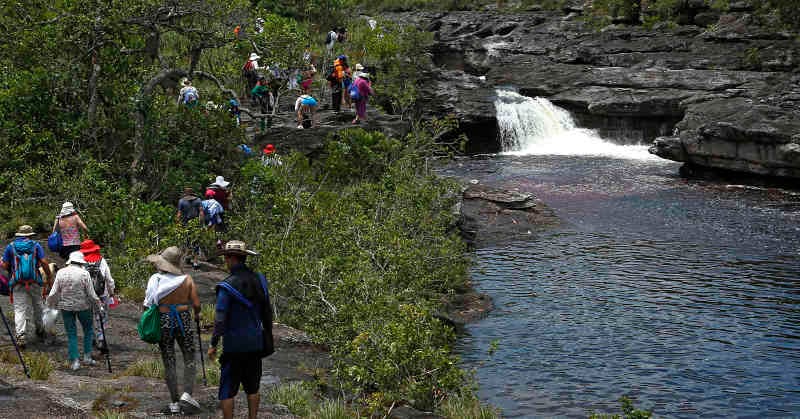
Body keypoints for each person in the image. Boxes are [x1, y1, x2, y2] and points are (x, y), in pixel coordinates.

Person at [208, 241, 273, 419]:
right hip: (255, 342)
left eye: (226, 258)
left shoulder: (226, 286)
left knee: (227, 390)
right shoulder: (260, 280)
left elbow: (220, 319)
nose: (225, 261)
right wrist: (267, 335)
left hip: (233, 345)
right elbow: (267, 311)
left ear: (232, 258)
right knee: (253, 387)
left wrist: (213, 343)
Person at [144, 246, 202, 414]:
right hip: (183, 318)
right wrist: (196, 315)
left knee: (169, 359)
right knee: (189, 355)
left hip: (164, 319)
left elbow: (147, 304)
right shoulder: (187, 279)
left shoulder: (156, 279)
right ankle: (187, 395)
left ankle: (174, 401)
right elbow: (197, 305)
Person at [46, 251, 101, 370]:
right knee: (88, 330)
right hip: (83, 307)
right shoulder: (84, 274)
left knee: (71, 334)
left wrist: (49, 305)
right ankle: (87, 357)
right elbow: (91, 294)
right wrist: (98, 306)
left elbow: (54, 292)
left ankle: (75, 361)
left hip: (66, 307)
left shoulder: (61, 272)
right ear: (81, 262)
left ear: (70, 261)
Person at [1, 225, 52, 348]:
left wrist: (11, 268)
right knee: (38, 306)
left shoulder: (11, 246)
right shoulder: (36, 245)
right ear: (30, 235)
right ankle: (40, 330)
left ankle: (21, 335)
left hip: (18, 282)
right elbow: (44, 262)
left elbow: (4, 265)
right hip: (34, 281)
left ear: (19, 234)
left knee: (19, 309)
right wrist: (49, 276)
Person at [79, 239, 115, 349]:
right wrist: (111, 292)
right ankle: (101, 338)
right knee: (101, 316)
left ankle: (91, 338)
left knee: (88, 316)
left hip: (87, 295)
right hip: (102, 294)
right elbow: (109, 279)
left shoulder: (81, 262)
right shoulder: (102, 261)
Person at [176, 187, 205, 269]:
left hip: (185, 224)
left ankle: (189, 258)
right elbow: (201, 212)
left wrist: (177, 224)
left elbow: (179, 214)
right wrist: (202, 223)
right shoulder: (198, 200)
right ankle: (195, 262)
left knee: (187, 241)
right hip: (195, 224)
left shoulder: (181, 201)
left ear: (185, 193)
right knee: (196, 242)